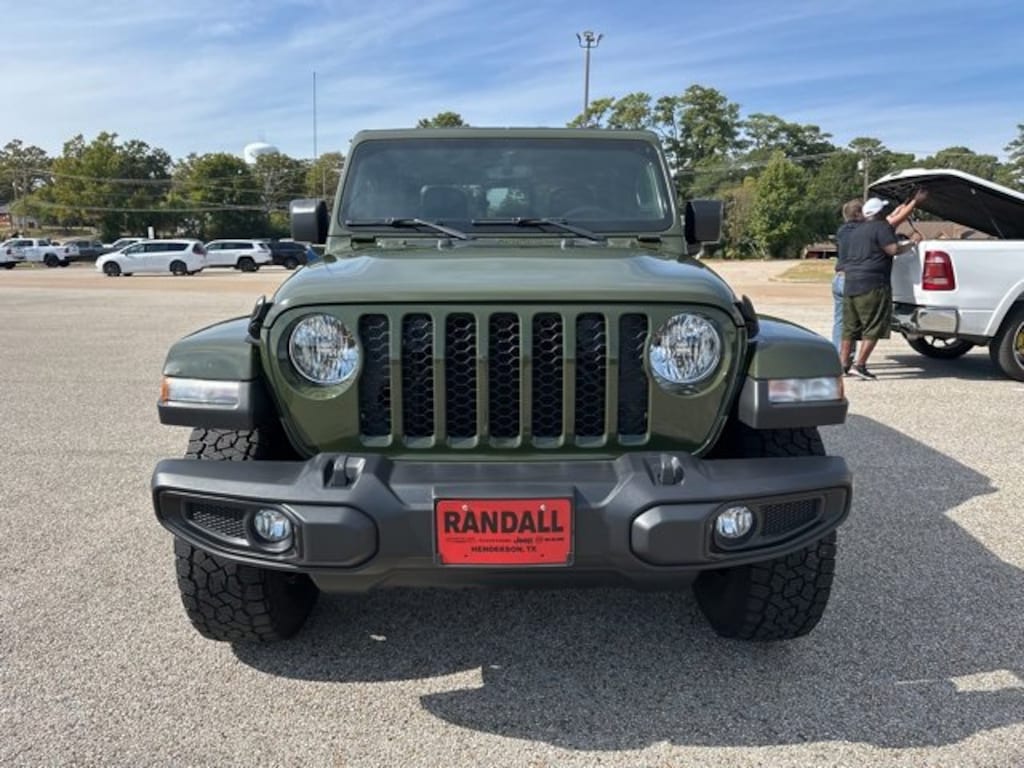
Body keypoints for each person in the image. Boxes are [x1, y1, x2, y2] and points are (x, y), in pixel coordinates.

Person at [838, 195, 924, 380]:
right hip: (873, 284)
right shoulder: (882, 227)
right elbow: (892, 249)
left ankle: (843, 364)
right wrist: (911, 243)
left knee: (849, 328)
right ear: (878, 213)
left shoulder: (854, 231)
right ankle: (859, 366)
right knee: (873, 326)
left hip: (851, 283)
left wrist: (910, 202)